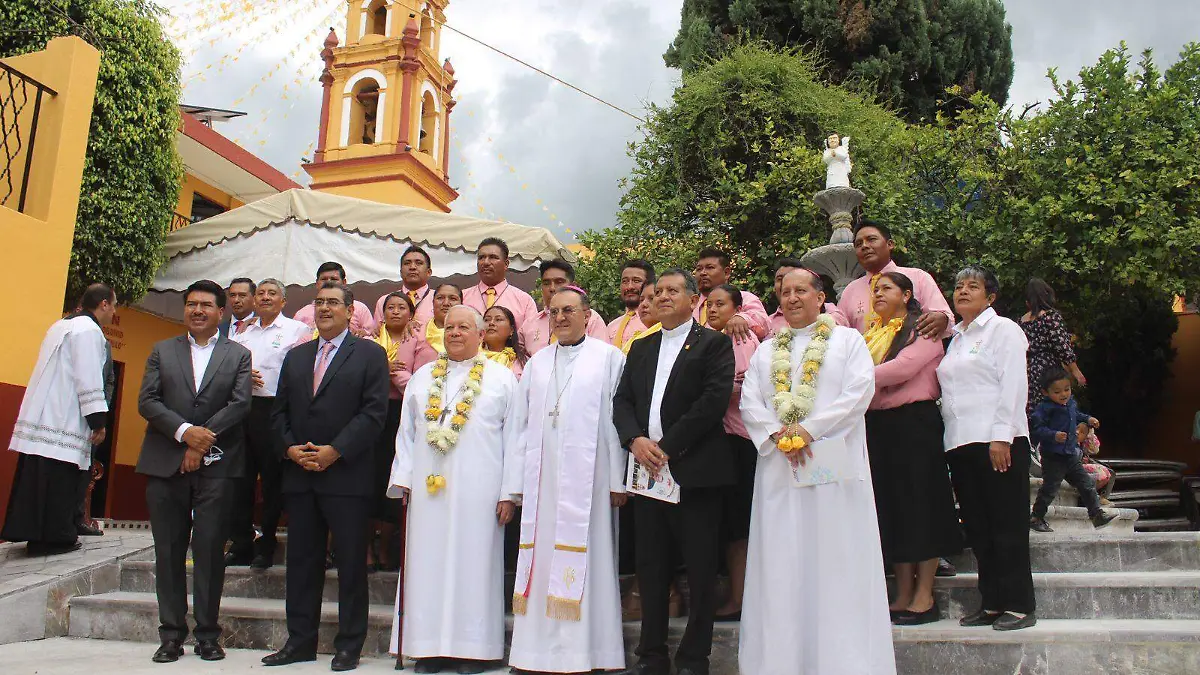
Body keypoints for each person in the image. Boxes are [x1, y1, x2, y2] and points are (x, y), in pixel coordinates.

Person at [738, 269, 895, 675]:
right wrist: (778, 435)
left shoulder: (847, 341)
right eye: (784, 291)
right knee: (781, 564)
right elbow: (751, 402)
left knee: (836, 560)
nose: (791, 298)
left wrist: (808, 431)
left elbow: (858, 392)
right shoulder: (766, 349)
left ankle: (845, 662)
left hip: (831, 467)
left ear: (820, 296)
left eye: (800, 290)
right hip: (778, 468)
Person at [263, 282, 390, 671]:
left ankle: (349, 645)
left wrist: (335, 451)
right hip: (300, 475)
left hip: (346, 476)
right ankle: (299, 642)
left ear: (350, 311)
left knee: (351, 564)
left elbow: (373, 414)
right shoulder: (297, 357)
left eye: (333, 303)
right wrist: (289, 449)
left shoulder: (370, 354)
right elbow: (277, 412)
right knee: (301, 562)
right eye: (319, 302)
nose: (324, 308)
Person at [613, 268, 734, 675]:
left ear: (690, 299)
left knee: (700, 569)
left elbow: (712, 402)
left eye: (672, 291)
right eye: (657, 291)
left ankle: (694, 657)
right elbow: (622, 402)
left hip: (694, 471)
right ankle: (652, 655)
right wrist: (635, 441)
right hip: (647, 473)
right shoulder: (642, 347)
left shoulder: (714, 344)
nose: (662, 297)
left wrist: (663, 447)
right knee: (651, 566)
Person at [388, 306, 521, 674]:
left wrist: (510, 492)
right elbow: (407, 433)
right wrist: (404, 478)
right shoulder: (423, 376)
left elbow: (516, 439)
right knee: (426, 566)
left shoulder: (502, 378)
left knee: (474, 567)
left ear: (481, 334)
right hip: (429, 495)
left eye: (464, 327)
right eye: (449, 327)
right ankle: (428, 649)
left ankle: (474, 651)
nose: (455, 333)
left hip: (481, 493)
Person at [508, 287, 627, 674]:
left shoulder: (609, 358)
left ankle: (589, 653)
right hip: (543, 482)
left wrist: (616, 480)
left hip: (589, 483)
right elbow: (520, 427)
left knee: (589, 559)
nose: (560, 317)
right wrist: (516, 483)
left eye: (568, 311)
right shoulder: (538, 363)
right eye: (554, 311)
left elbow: (616, 421)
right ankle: (535, 654)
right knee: (542, 562)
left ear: (587, 314)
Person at [135, 280, 254, 663]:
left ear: (222, 313)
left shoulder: (238, 355)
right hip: (164, 462)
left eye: (206, 305)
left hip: (218, 465)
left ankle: (207, 634)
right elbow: (148, 401)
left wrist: (202, 441)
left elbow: (239, 404)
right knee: (168, 550)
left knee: (208, 550)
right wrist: (186, 434)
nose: (197, 310)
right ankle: (170, 634)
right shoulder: (161, 351)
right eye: (191, 304)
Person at [937, 265, 1037, 632]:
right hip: (960, 442)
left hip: (998, 442)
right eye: (958, 286)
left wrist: (1001, 436)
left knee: (1007, 525)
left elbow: (1013, 385)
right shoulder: (957, 338)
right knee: (979, 527)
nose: (962, 291)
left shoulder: (1003, 330)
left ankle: (1020, 604)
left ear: (990, 296)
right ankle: (992, 601)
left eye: (972, 286)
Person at [861, 272, 962, 625]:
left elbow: (903, 369)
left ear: (907, 295)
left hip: (914, 423)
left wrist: (850, 376)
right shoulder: (871, 333)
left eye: (886, 288)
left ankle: (924, 596)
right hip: (879, 426)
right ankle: (902, 592)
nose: (878, 294)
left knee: (921, 503)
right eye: (874, 290)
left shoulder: (924, 327)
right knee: (892, 506)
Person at [2, 284, 115, 555]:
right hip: (64, 417)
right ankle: (56, 537)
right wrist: (97, 419)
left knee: (38, 480)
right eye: (113, 304)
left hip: (43, 415)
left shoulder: (61, 326)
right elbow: (88, 376)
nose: (113, 311)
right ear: (102, 304)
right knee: (60, 482)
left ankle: (35, 537)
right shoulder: (89, 332)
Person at [226, 279, 311, 569]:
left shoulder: (297, 331)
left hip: (274, 409)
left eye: (271, 293)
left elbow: (304, 371)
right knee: (241, 479)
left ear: (283, 301)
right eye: (260, 293)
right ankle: (241, 543)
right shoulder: (241, 334)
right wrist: (242, 376)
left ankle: (267, 544)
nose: (264, 297)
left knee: (273, 481)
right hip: (242, 410)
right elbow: (227, 369)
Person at [704, 285, 760, 622]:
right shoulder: (709, 341)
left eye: (720, 304)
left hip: (739, 440)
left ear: (737, 309)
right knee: (725, 527)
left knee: (738, 528)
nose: (711, 309)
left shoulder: (741, 339)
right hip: (717, 441)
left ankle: (739, 598)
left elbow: (743, 386)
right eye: (708, 304)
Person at [372, 292, 436, 570]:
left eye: (401, 307)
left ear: (411, 314)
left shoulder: (417, 339)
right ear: (382, 312)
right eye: (390, 307)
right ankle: (366, 549)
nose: (395, 312)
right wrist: (381, 367)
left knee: (392, 477)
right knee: (369, 481)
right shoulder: (369, 340)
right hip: (372, 411)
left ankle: (385, 549)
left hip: (402, 412)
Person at [1028, 367, 1116, 532]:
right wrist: (1053, 435)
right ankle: (1036, 517)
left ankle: (1096, 515)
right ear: (1045, 392)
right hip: (1053, 457)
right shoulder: (1043, 410)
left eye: (1067, 390)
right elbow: (1036, 430)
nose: (1063, 394)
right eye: (1057, 391)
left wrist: (1089, 419)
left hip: (1070, 455)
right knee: (1050, 488)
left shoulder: (1069, 404)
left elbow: (1076, 414)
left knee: (1086, 484)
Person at [838, 221, 952, 338]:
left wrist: (943, 319)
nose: (864, 246)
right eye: (858, 244)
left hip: (915, 352)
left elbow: (945, 318)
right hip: (864, 355)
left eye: (871, 239)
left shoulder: (918, 277)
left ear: (890, 244)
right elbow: (840, 333)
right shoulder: (850, 291)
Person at [1021, 279, 1086, 412]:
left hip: (1027, 368)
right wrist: (1075, 370)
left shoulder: (1021, 321)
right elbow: (1061, 344)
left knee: (1034, 410)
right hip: (1049, 368)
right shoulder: (1050, 317)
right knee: (1056, 407)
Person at [519, 259, 607, 354]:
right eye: (546, 283)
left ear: (572, 285)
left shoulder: (589, 318)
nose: (552, 288)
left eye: (559, 282)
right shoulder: (530, 324)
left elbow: (601, 356)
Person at [462, 237, 538, 332]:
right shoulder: (462, 297)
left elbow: (532, 338)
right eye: (481, 257)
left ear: (506, 264)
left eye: (493, 257)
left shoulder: (524, 301)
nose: (486, 262)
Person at [692, 248, 769, 341]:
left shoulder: (745, 298)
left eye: (710, 267)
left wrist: (742, 318)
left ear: (726, 273)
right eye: (699, 269)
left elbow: (765, 324)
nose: (703, 273)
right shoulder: (690, 305)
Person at [292, 262, 378, 337]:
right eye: (324, 279)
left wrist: (363, 333)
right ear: (317, 284)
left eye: (334, 279)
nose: (329, 282)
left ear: (344, 283)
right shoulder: (302, 314)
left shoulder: (360, 308)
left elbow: (371, 334)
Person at [767, 258, 848, 335]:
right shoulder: (768, 322)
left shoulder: (829, 310)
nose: (785, 281)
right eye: (779, 279)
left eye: (800, 290)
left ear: (819, 298)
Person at [373, 246, 437, 328]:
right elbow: (377, 334)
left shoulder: (439, 300)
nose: (412, 267)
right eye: (407, 263)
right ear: (401, 272)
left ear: (429, 272)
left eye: (418, 263)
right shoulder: (384, 301)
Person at [608, 259, 655, 347]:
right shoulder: (611, 327)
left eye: (636, 281)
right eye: (625, 281)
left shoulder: (656, 322)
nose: (629, 287)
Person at [482, 306, 527, 378]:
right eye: (487, 320)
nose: (491, 323)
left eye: (498, 319)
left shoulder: (522, 363)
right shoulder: (470, 357)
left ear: (511, 330)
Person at [622, 281, 660, 355]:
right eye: (641, 300)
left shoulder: (666, 336)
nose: (643, 304)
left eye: (651, 299)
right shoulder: (638, 337)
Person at [424, 283, 463, 355]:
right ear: (433, 302)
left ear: (461, 304)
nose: (446, 303)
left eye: (453, 299)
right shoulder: (416, 332)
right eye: (440, 298)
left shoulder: (473, 333)